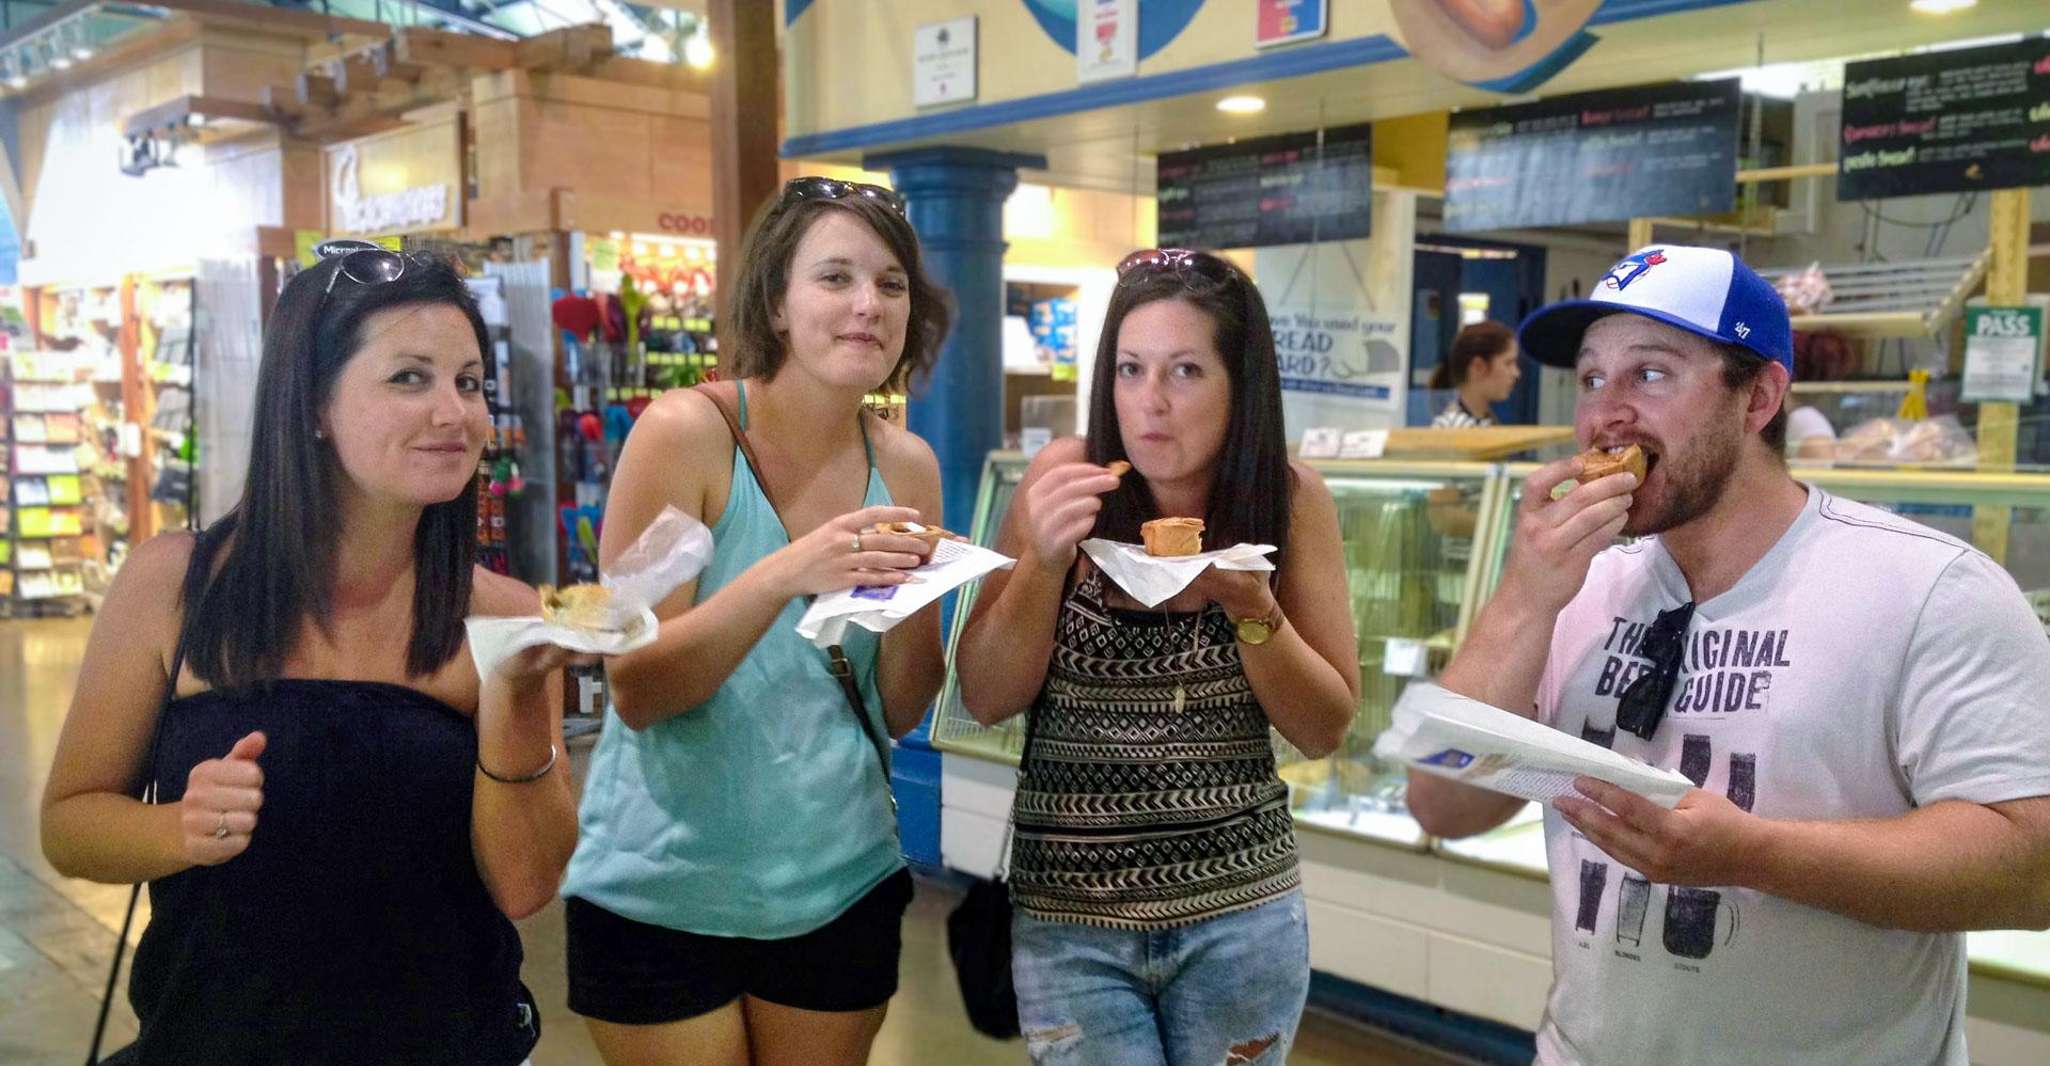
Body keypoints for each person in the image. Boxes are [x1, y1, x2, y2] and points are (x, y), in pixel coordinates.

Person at [1406, 244, 2050, 1064]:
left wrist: (1754, 855)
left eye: (1651, 375)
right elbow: (1445, 805)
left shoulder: (1926, 590)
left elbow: (2034, 868)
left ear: (1760, 397)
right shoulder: (1582, 585)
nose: (1607, 415)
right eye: (1592, 378)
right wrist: (1525, 595)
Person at [40, 242, 583, 1063]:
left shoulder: (505, 617)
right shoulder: (172, 587)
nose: (457, 413)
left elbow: (524, 885)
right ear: (312, 406)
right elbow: (69, 826)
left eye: (469, 382)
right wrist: (177, 829)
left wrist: (513, 699)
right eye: (410, 377)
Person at [562, 177, 954, 1066]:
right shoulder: (683, 437)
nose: (867, 306)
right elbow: (637, 686)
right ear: (777, 302)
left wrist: (926, 595)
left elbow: (895, 708)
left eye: (891, 285)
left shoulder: (909, 466)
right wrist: (784, 573)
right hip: (661, 889)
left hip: (840, 878)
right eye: (836, 278)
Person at [956, 248, 1362, 1066]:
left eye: (1185, 371)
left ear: (1239, 384)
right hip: (1069, 918)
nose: (1151, 403)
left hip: (1238, 913)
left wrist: (1256, 613)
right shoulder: (1068, 479)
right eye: (1130, 369)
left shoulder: (1286, 499)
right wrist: (1040, 561)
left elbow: (1325, 726)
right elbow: (986, 694)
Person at [1428, 320, 1522, 427]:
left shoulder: (1487, 424)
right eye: (1508, 363)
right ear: (1478, 367)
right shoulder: (1450, 428)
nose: (1516, 373)